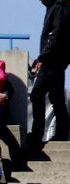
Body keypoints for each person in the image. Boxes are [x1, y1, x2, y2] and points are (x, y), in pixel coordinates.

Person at [27, 0, 70, 151]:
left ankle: (38, 133)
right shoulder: (57, 7)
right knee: (56, 97)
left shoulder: (58, 7)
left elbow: (55, 35)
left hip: (53, 60)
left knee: (37, 95)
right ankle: (61, 133)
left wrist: (43, 57)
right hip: (55, 59)